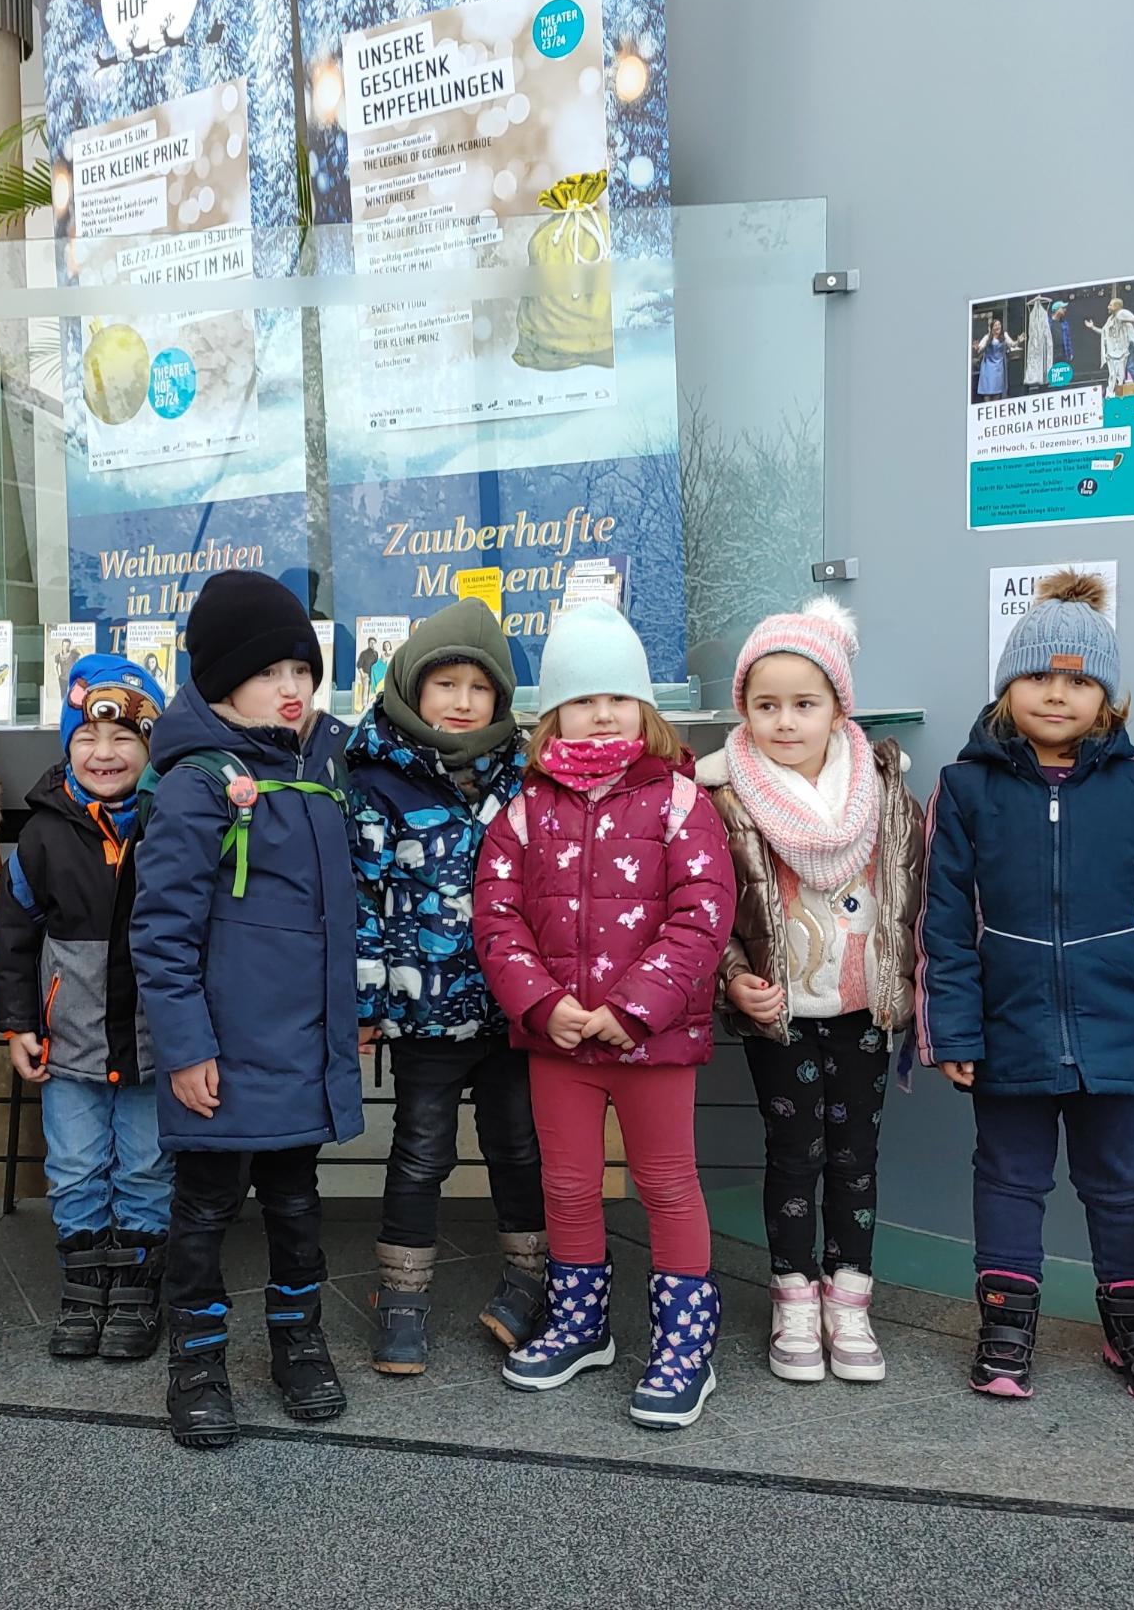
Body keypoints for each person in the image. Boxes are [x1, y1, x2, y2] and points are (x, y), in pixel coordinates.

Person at [917, 570, 1134, 1403]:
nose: (1058, 695)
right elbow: (941, 919)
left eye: (1080, 681)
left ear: (1109, 700)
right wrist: (953, 1030)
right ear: (1006, 688)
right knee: (1010, 1178)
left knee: (1121, 1183)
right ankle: (1006, 1328)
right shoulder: (967, 788)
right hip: (1007, 1026)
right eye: (1039, 677)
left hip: (1124, 1028)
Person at [474, 602, 736, 1431]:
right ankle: (581, 1322)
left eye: (619, 696)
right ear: (554, 713)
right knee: (570, 1184)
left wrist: (634, 1009)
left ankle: (684, 1341)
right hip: (559, 1041)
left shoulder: (680, 802)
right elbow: (496, 915)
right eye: (584, 698)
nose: (602, 712)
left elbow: (703, 914)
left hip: (651, 1041)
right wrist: (545, 1007)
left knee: (665, 1183)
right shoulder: (523, 810)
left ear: (645, 709)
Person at [132, 571, 364, 1448]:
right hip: (222, 1058)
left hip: (302, 1048)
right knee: (202, 1212)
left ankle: (298, 1344)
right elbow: (160, 932)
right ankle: (195, 1360)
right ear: (221, 681)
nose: (292, 687)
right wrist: (187, 1045)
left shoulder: (320, 771)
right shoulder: (200, 783)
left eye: (301, 668)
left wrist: (353, 1013)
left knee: (300, 1206)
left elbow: (340, 915)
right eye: (269, 671)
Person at [702, 598, 923, 1385]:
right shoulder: (724, 798)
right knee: (793, 1156)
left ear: (838, 708)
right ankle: (795, 1296)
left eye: (805, 703)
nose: (785, 721)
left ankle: (850, 1299)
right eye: (767, 705)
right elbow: (707, 908)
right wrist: (734, 979)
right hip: (781, 1014)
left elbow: (911, 891)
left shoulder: (884, 789)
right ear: (744, 710)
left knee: (855, 1157)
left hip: (865, 1008)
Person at [348, 598, 546, 1377]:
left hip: (514, 1010)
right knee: (421, 1153)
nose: (462, 702)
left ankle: (530, 1280)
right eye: (445, 684)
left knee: (517, 1148)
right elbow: (361, 904)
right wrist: (367, 1005)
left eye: (480, 688)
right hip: (425, 1013)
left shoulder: (527, 775)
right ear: (411, 688)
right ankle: (401, 1300)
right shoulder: (374, 779)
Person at [0, 653, 172, 1362]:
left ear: (151, 747)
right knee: (73, 1165)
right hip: (67, 1044)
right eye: (88, 739)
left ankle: (135, 1290)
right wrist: (18, 1025)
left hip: (154, 1043)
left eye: (125, 738)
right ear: (68, 744)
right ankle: (83, 1286)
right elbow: (13, 936)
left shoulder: (172, 821)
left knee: (145, 1167)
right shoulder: (42, 832)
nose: (105, 753)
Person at [1087, 296, 1134, 391]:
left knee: (1131, 368)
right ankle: (1119, 392)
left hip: (1125, 349)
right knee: (1116, 374)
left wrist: (1122, 317)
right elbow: (1105, 333)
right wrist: (1093, 327)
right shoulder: (1110, 320)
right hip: (1115, 353)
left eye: (1110, 305)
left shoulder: (1122, 316)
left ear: (1117, 306)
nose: (1108, 307)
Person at [973, 316, 1018, 399]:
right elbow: (980, 347)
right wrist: (977, 347)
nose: (998, 327)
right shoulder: (987, 337)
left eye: (999, 324)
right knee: (987, 389)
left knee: (997, 389)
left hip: (999, 367)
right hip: (988, 367)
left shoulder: (1004, 335)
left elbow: (1012, 344)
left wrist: (1018, 341)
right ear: (992, 328)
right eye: (996, 325)